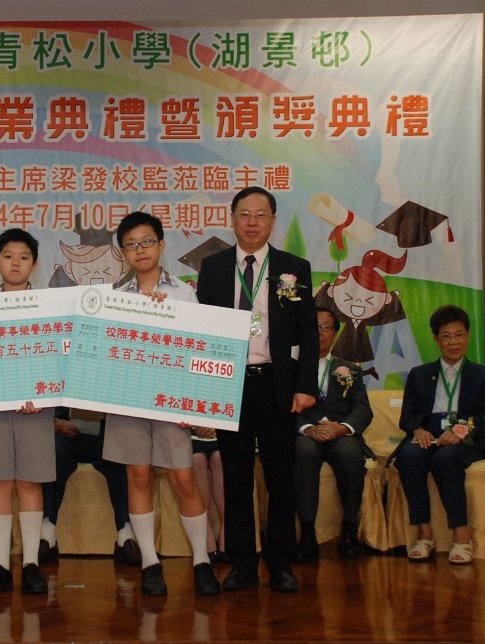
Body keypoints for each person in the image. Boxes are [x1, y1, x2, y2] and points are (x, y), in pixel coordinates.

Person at [195, 186, 318, 593]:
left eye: (260, 215)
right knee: (236, 480)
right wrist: (207, 390)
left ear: (273, 221)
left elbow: (307, 331)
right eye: (244, 214)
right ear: (232, 219)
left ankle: (281, 562)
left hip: (277, 386)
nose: (252, 222)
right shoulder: (213, 267)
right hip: (231, 384)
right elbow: (203, 331)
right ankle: (243, 563)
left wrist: (305, 386)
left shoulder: (293, 267)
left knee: (281, 479)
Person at [101, 211, 220, 596]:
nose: (140, 250)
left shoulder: (183, 293)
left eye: (147, 242)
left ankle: (201, 560)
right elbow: (105, 352)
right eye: (131, 245)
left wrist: (197, 405)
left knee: (183, 478)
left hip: (171, 402)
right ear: (123, 253)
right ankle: (150, 563)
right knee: (138, 476)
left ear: (162, 245)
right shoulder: (115, 298)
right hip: (128, 401)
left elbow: (200, 346)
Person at [392, 304, 485, 565]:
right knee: (409, 456)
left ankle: (461, 537)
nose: (454, 342)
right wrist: (418, 430)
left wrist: (459, 430)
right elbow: (407, 416)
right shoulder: (419, 374)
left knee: (445, 458)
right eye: (447, 336)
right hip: (429, 432)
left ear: (468, 336)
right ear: (436, 339)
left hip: (469, 435)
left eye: (459, 335)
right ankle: (424, 534)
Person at [0, 228, 55, 596]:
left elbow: (57, 357)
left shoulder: (49, 308)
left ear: (34, 265)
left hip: (36, 408)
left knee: (30, 482)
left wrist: (43, 390)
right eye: (8, 256)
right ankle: (1, 565)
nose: (16, 263)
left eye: (24, 257)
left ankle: (31, 564)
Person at [293, 307, 374, 562]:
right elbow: (284, 407)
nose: (319, 332)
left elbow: (363, 409)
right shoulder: (292, 368)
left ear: (335, 334)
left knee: (350, 454)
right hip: (307, 433)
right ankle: (307, 532)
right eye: (314, 327)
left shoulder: (349, 369)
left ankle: (349, 529)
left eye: (326, 327)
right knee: (303, 451)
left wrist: (342, 428)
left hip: (340, 434)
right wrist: (308, 428)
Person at [39, 409, 141, 566]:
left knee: (118, 459)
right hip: (64, 429)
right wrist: (53, 423)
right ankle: (47, 535)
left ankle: (125, 535)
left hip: (107, 430)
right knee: (55, 454)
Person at [190, 426, 228, 563]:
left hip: (224, 425)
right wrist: (195, 425)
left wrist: (217, 425)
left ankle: (227, 526)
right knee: (196, 459)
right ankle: (205, 529)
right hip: (188, 427)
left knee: (220, 458)